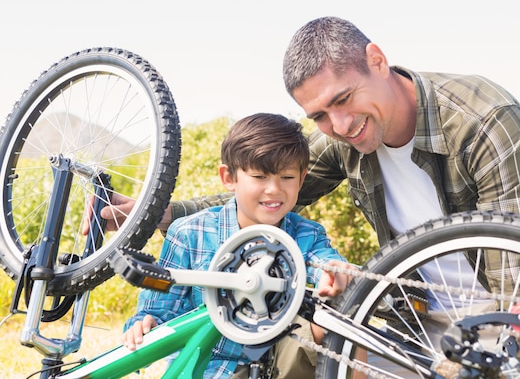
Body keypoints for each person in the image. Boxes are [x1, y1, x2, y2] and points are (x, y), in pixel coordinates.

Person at [109, 17, 520, 373]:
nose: (339, 125)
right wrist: (156, 213)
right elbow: (264, 195)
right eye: (320, 116)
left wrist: (484, 364)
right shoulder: (345, 140)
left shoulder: (482, 120)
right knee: (340, 358)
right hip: (421, 328)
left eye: (343, 100)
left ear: (377, 60)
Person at [122, 113, 355, 379]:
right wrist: (146, 323)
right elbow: (158, 309)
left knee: (342, 318)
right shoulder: (189, 233)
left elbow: (326, 264)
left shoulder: (306, 235)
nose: (274, 190)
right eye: (259, 176)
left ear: (302, 179)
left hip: (275, 362)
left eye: (287, 178)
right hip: (211, 366)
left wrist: (334, 272)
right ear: (229, 177)